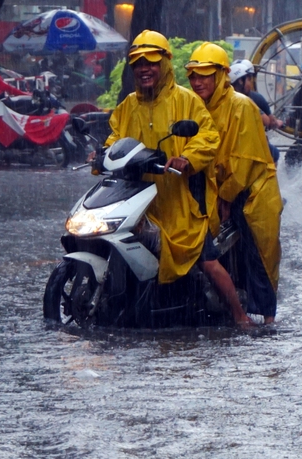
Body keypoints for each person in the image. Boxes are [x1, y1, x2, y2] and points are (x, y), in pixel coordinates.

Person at [104, 30, 254, 328]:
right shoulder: (128, 105)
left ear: (165, 64)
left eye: (151, 62)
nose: (144, 68)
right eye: (138, 63)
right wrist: (103, 155)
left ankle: (240, 317)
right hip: (139, 197)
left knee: (206, 259)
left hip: (183, 199)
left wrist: (187, 159)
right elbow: (115, 137)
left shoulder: (187, 101)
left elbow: (208, 137)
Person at [185, 42, 283, 325]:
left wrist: (226, 198)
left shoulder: (242, 106)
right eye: (193, 75)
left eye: (205, 75)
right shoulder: (195, 106)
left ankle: (267, 319)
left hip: (252, 191)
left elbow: (243, 161)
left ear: (222, 75)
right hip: (216, 187)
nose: (198, 81)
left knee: (258, 252)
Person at [229, 59, 281, 164]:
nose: (251, 82)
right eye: (248, 79)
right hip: (249, 147)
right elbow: (268, 121)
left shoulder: (225, 98)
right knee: (274, 154)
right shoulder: (250, 101)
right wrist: (277, 123)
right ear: (240, 81)